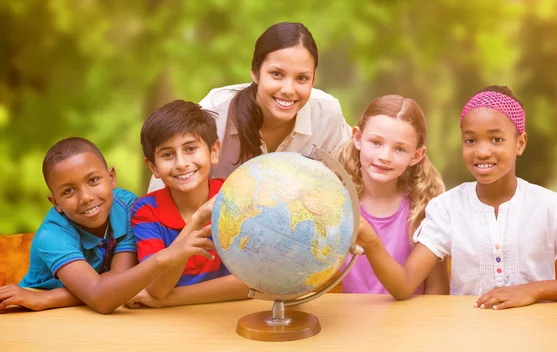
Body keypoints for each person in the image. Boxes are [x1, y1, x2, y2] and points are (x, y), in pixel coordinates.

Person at [359, 85, 557, 309]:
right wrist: (371, 241)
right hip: (465, 337)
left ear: (520, 143)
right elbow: (404, 284)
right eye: (471, 140)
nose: (482, 152)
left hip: (535, 336)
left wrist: (533, 291)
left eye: (496, 139)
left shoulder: (549, 206)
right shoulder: (447, 208)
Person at [0, 137, 212, 313]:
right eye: (68, 191)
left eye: (93, 180)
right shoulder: (52, 234)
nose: (85, 197)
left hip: (81, 309)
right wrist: (163, 258)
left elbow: (118, 282)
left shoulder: (127, 206)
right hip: (42, 317)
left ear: (111, 178)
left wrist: (51, 298)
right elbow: (103, 299)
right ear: (56, 203)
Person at [148, 22, 350, 191]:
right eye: (277, 74)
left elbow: (352, 182)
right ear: (255, 72)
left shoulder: (327, 115)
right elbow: (164, 188)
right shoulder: (213, 115)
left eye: (302, 78)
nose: (288, 89)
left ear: (314, 79)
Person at [127, 100, 248, 308]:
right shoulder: (146, 211)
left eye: (190, 148)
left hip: (231, 316)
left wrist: (169, 300)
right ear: (153, 167)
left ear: (214, 151)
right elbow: (157, 288)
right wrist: (197, 219)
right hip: (168, 326)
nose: (181, 163)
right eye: (167, 154)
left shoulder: (236, 195)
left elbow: (251, 282)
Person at [337, 95, 449, 295]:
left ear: (416, 155)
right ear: (357, 138)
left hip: (407, 324)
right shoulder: (334, 201)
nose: (384, 157)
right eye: (376, 142)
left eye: (399, 149)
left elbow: (437, 289)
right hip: (347, 322)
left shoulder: (424, 208)